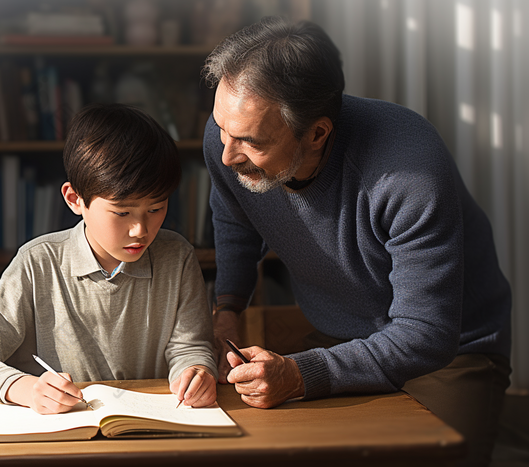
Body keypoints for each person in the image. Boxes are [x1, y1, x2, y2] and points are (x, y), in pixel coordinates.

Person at [202, 16, 511, 466]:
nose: (226, 153)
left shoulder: (409, 172)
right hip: (338, 335)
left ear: (317, 133)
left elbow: (426, 333)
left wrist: (300, 373)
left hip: (449, 351)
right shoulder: (229, 133)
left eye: (248, 142)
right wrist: (227, 308)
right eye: (222, 130)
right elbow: (235, 218)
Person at [0, 103, 217, 414]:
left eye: (156, 209)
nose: (140, 230)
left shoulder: (176, 257)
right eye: (122, 212)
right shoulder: (38, 263)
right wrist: (26, 389)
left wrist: (195, 372)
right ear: (75, 199)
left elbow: (190, 347)